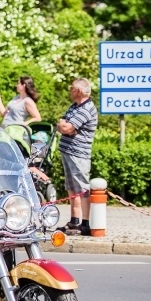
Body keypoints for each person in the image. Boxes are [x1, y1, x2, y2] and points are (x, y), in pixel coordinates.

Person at [56, 77, 98, 235]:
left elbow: (66, 128)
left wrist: (66, 126)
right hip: (68, 151)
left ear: (79, 91)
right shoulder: (75, 107)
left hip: (79, 154)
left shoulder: (86, 108)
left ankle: (85, 223)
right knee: (71, 188)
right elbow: (64, 125)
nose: (70, 91)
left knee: (81, 187)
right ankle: (74, 220)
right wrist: (65, 126)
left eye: (72, 88)